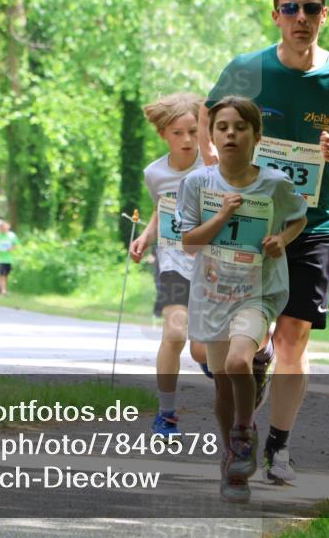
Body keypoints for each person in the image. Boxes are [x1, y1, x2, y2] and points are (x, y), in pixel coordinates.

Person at [200, 0, 329, 483]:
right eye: (291, 8)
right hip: (251, 222)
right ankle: (241, 433)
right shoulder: (247, 69)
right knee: (242, 346)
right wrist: (219, 165)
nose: (302, 18)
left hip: (314, 222)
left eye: (311, 8)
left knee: (294, 336)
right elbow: (214, 126)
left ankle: (280, 447)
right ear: (276, 15)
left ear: (325, 14)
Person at [178, 96, 307, 503]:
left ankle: (244, 433)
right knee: (221, 387)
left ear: (256, 136)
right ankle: (232, 455)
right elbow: (188, 241)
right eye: (222, 127)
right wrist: (221, 217)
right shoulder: (197, 184)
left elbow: (299, 216)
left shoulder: (275, 184)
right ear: (212, 136)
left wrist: (280, 240)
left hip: (258, 291)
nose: (231, 133)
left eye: (240, 127)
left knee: (238, 362)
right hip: (213, 293)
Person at [128, 93, 210, 436]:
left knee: (201, 349)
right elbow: (163, 207)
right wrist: (146, 235)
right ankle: (166, 413)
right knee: (174, 334)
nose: (187, 140)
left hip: (212, 262)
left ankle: (214, 364)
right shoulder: (154, 173)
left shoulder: (212, 166)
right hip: (173, 259)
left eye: (193, 131)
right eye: (178, 133)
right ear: (164, 135)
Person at [0, 221, 19, 296]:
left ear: (8, 228)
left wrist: (11, 248)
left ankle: (0, 287)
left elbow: (17, 245)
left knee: (5, 275)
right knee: (2, 274)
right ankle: (3, 290)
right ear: (0, 228)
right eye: (3, 228)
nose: (4, 230)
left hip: (9, 258)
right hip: (0, 258)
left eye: (6, 228)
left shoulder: (12, 236)